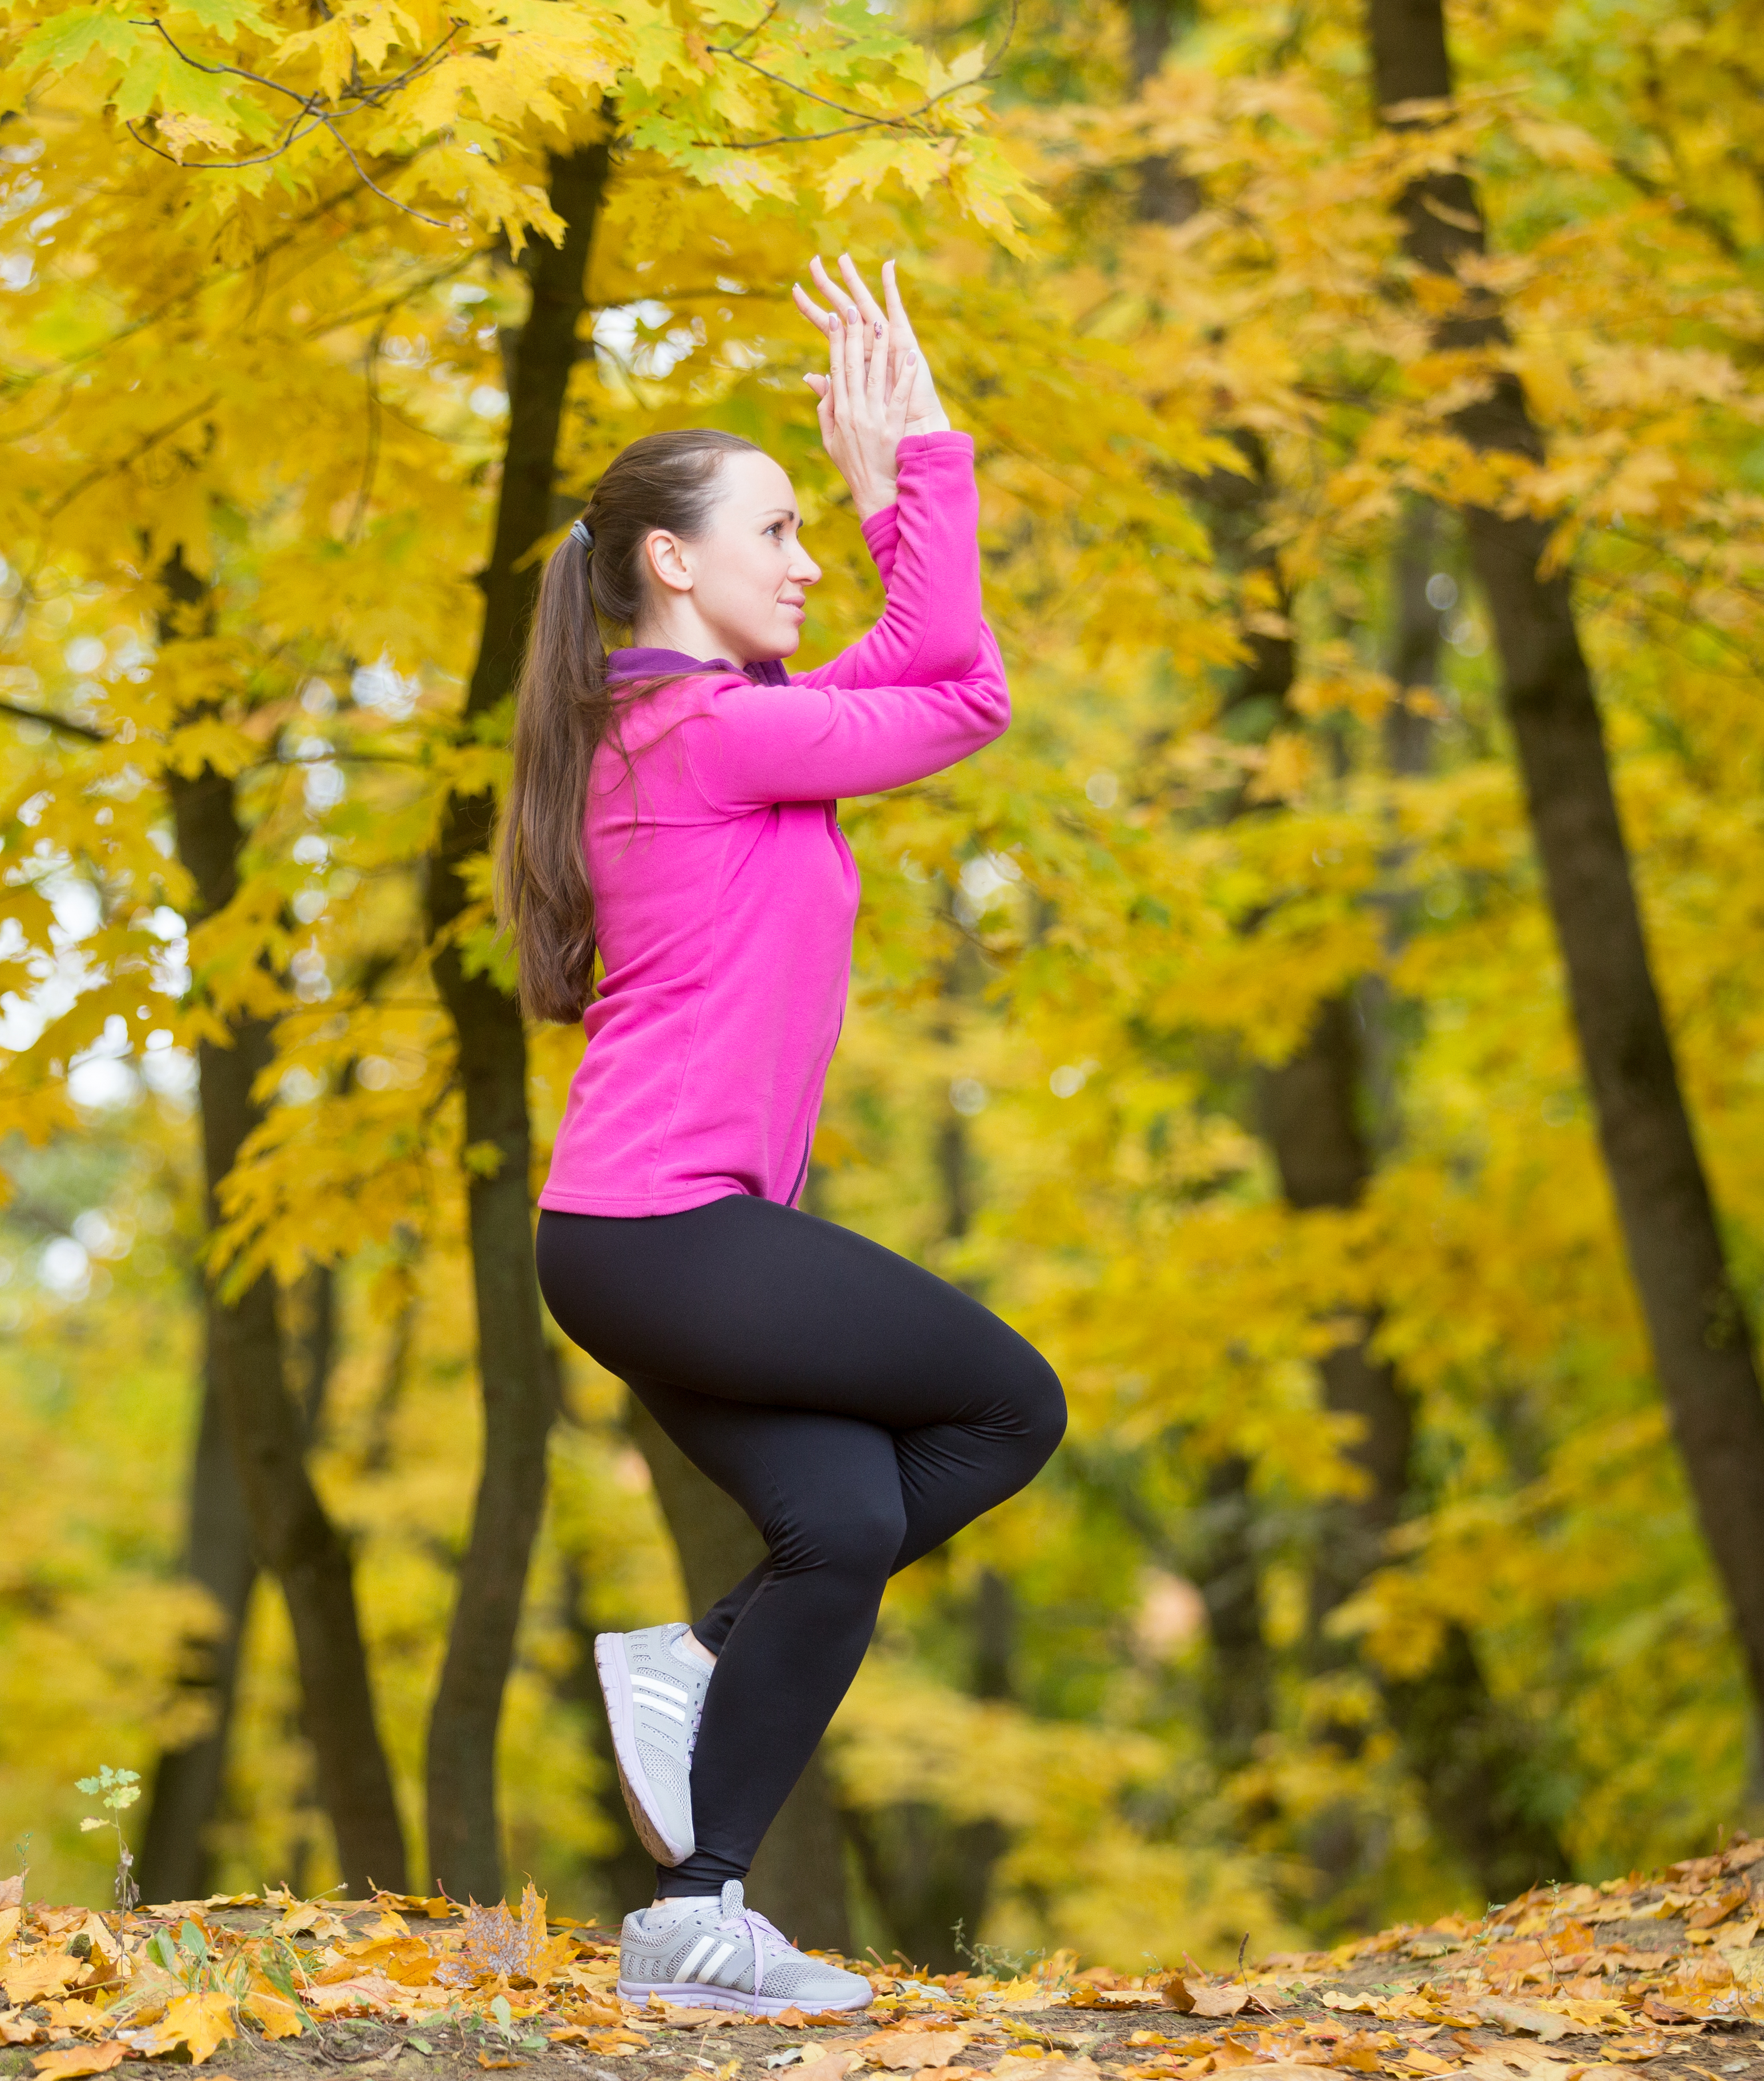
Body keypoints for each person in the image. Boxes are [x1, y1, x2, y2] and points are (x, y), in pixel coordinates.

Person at [501, 256, 1066, 2015]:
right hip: (671, 1235)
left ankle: (693, 1917)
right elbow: (961, 696)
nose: (806, 559)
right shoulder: (704, 736)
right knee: (1008, 1404)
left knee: (840, 1522)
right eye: (776, 531)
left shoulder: (697, 730)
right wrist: (922, 479)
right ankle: (692, 1659)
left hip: (658, 1240)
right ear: (672, 562)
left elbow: (911, 664)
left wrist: (910, 489)